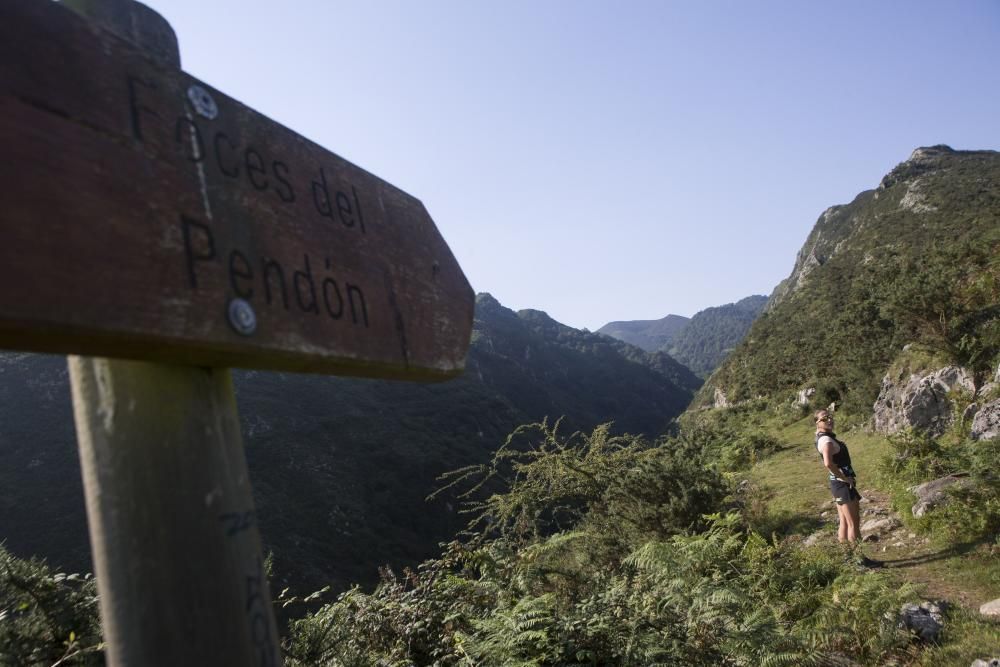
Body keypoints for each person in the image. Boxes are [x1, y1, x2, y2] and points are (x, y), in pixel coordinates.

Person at [815, 409, 880, 567]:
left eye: (830, 417)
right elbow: (828, 463)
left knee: (844, 522)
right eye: (824, 419)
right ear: (817, 422)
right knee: (853, 524)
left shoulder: (821, 437)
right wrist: (844, 478)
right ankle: (860, 560)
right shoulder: (827, 441)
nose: (829, 420)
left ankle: (847, 558)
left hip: (837, 484)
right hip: (843, 485)